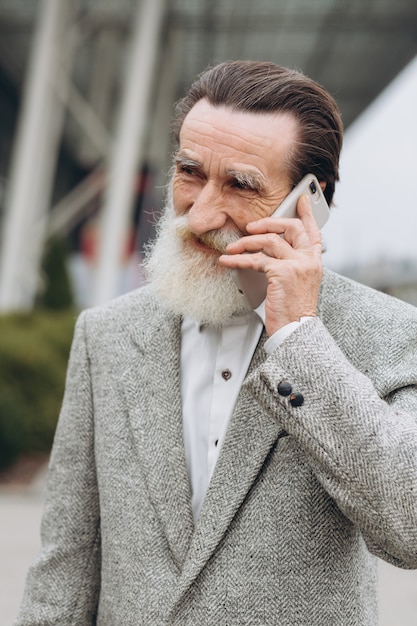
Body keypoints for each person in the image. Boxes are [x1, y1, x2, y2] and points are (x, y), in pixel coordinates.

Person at [15, 61, 417, 626]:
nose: (199, 214)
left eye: (241, 184)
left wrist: (300, 338)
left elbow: (410, 529)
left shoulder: (388, 333)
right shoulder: (103, 336)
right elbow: (64, 571)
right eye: (189, 172)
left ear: (310, 199)